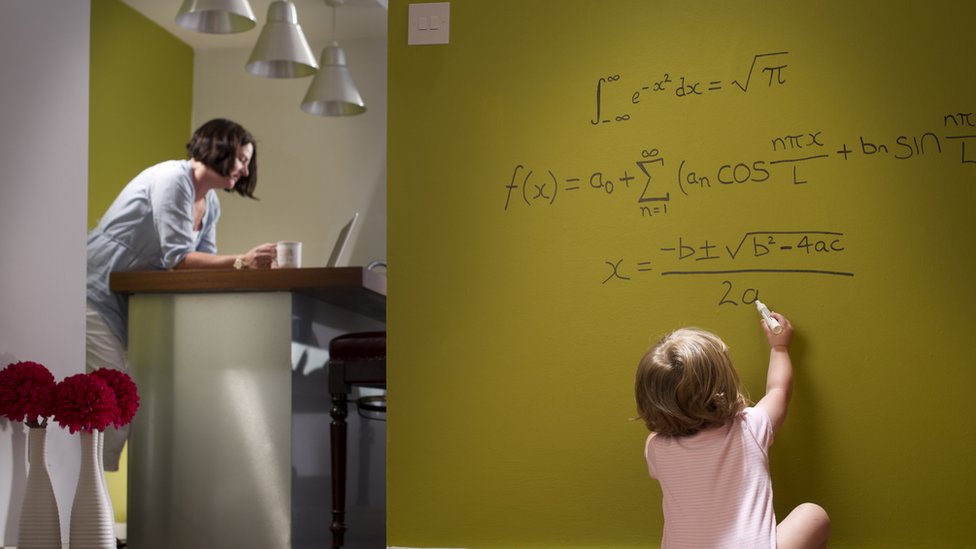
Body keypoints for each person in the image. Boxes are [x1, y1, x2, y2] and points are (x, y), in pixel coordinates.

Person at [86, 118, 277, 471]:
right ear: (219, 150)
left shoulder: (211, 203)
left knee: (119, 403)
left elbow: (199, 268)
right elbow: (179, 259)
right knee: (111, 401)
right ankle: (88, 508)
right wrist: (243, 261)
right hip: (95, 293)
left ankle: (90, 508)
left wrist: (243, 267)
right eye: (241, 158)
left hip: (126, 304)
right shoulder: (174, 180)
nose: (246, 169)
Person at [634, 311, 830, 549]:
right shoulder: (751, 426)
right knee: (812, 514)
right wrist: (779, 347)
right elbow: (779, 390)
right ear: (725, 384)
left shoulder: (655, 448)